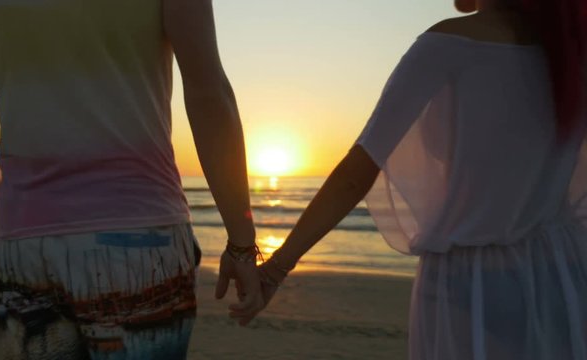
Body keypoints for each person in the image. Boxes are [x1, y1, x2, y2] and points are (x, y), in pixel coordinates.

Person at [250, 0, 587, 359]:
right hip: (561, 271)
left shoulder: (447, 44)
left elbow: (357, 171)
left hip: (473, 282)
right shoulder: (570, 52)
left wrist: (276, 267)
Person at [0, 0, 260, 358]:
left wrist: (0, 223)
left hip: (25, 245)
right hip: (138, 235)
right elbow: (209, 92)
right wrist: (241, 243)